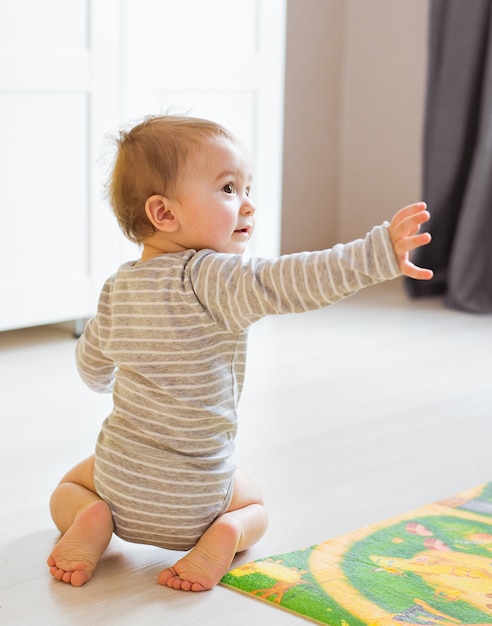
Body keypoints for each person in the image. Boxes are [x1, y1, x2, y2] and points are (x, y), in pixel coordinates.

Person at [47, 115, 433, 592]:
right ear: (164, 214)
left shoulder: (117, 287)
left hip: (119, 484)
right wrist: (375, 254)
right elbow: (290, 280)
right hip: (196, 502)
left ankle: (93, 518)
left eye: (247, 188)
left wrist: (104, 378)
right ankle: (227, 533)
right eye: (229, 189)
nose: (248, 205)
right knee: (254, 504)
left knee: (70, 487)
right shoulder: (211, 277)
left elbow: (92, 365)